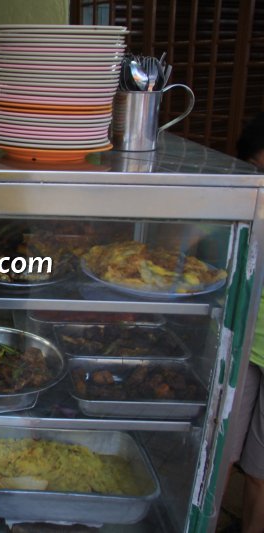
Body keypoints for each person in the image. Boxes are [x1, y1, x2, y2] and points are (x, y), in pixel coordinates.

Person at [229, 111, 264, 533]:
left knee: (259, 474)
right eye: (256, 171)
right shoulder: (244, 203)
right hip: (238, 344)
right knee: (222, 455)